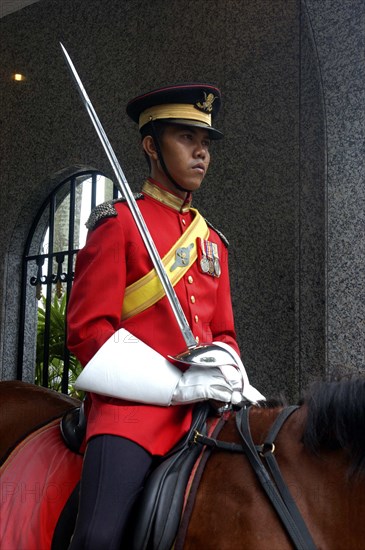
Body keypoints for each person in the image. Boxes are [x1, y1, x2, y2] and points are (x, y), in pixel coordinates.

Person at [66, 83, 264, 549]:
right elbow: (87, 332)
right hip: (131, 416)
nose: (201, 153)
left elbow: (225, 331)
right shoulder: (118, 223)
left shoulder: (211, 240)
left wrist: (226, 369)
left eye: (206, 143)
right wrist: (175, 384)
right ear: (151, 146)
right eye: (186, 138)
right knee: (97, 537)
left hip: (208, 412)